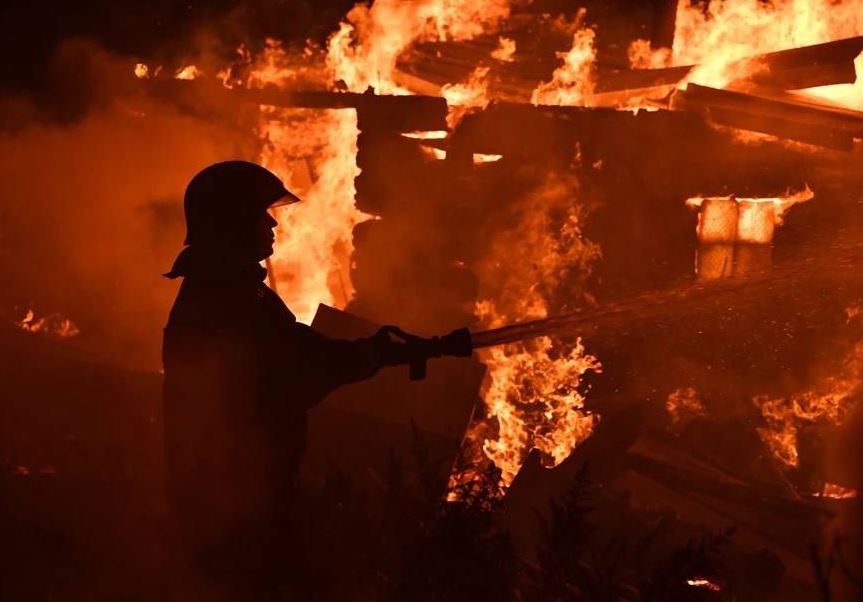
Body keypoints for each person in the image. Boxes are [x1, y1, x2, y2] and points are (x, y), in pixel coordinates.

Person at [161, 161, 470, 594]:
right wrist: (376, 354)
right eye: (260, 214)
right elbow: (298, 365)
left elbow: (297, 351)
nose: (271, 224)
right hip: (234, 503)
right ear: (232, 223)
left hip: (244, 495)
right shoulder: (224, 300)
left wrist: (391, 351)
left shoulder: (229, 288)